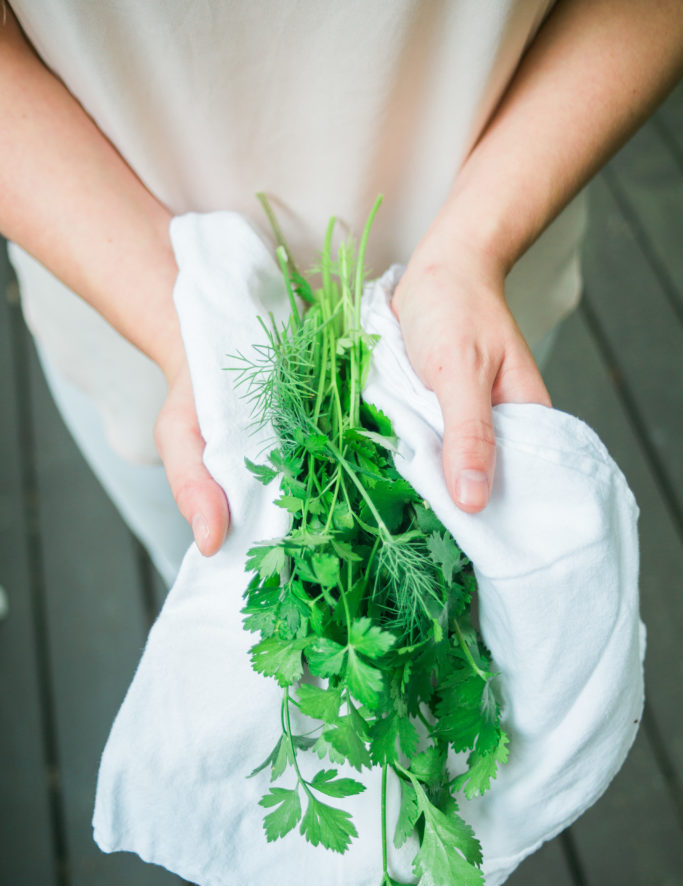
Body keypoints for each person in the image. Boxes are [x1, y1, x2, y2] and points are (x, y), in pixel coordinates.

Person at [1, 0, 682, 584]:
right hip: (140, 322)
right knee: (201, 561)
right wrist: (173, 316)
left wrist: (473, 248)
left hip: (472, 305)